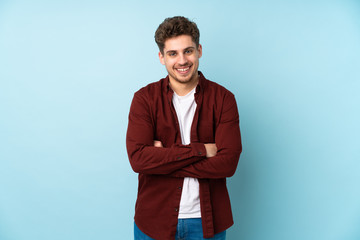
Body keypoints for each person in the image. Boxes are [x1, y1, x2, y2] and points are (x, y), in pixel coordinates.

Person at [126, 16, 242, 240]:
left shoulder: (224, 99)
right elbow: (138, 160)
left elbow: (228, 164)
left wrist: (162, 159)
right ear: (161, 57)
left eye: (188, 51)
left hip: (207, 222)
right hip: (153, 220)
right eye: (173, 53)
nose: (182, 60)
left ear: (199, 50)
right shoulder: (144, 99)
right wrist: (200, 151)